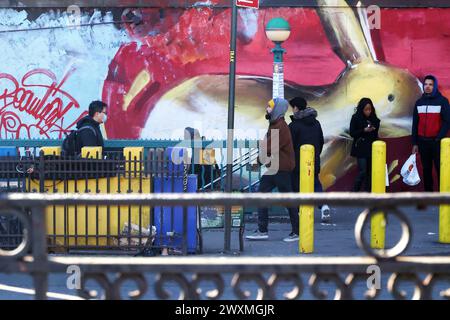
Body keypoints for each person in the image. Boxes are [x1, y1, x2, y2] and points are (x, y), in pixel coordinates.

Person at [245, 98, 299, 242]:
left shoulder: (280, 127)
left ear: (277, 109)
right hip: (273, 168)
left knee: (288, 200)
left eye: (269, 107)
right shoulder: (274, 124)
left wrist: (256, 161)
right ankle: (262, 230)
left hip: (281, 169)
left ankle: (297, 232)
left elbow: (269, 147)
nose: (267, 109)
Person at [288, 97, 331, 223]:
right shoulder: (316, 123)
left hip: (297, 163)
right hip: (313, 159)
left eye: (293, 107)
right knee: (315, 184)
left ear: (296, 107)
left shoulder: (294, 125)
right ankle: (323, 206)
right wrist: (316, 154)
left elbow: (290, 146)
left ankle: (299, 212)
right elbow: (321, 141)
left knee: (295, 186)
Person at [411, 75, 450, 191]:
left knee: (440, 169)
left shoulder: (442, 101)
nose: (427, 87)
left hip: (437, 142)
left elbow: (447, 121)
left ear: (435, 86)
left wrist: (439, 138)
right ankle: (429, 195)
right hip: (422, 143)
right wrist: (415, 143)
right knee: (426, 170)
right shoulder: (419, 103)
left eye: (430, 84)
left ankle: (443, 196)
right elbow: (415, 124)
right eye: (426, 84)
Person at [350, 98, 380, 192]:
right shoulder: (356, 117)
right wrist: (363, 130)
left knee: (370, 172)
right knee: (362, 171)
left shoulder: (374, 118)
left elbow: (376, 131)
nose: (368, 111)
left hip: (372, 147)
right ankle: (354, 193)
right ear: (361, 109)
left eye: (370, 109)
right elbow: (352, 133)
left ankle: (369, 193)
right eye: (366, 109)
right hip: (361, 148)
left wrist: (374, 127)